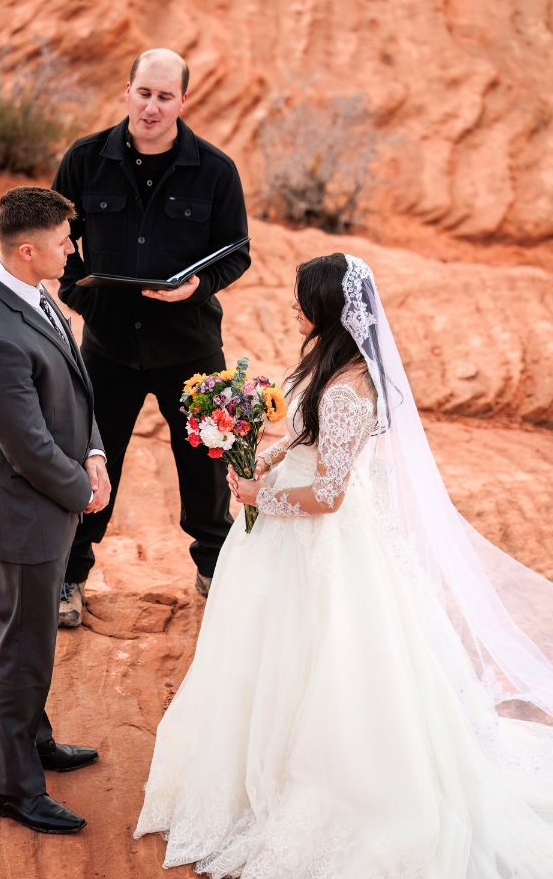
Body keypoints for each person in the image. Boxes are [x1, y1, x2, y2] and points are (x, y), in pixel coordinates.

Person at [135, 253, 553, 876]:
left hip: (318, 544)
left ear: (330, 306)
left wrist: (258, 497)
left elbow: (329, 496)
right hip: (281, 533)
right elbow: (303, 438)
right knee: (264, 657)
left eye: (304, 297)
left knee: (319, 662)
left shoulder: (351, 388)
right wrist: (262, 463)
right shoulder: (322, 362)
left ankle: (317, 788)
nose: (294, 305)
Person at [52, 47, 251, 625]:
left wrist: (196, 287)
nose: (153, 107)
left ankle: (214, 568)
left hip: (190, 346)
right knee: (91, 457)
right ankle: (70, 576)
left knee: (206, 463)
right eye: (144, 93)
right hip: (108, 348)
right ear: (127, 90)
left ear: (183, 101)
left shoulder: (215, 170)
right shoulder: (85, 161)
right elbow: (58, 239)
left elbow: (235, 254)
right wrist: (86, 300)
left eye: (166, 97)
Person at [0, 187, 112, 833]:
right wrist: (85, 490)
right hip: (26, 514)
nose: (71, 247)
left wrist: (96, 451)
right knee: (23, 649)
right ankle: (13, 787)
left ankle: (34, 740)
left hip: (53, 501)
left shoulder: (32, 289)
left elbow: (77, 379)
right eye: (62, 240)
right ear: (28, 250)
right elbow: (26, 449)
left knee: (37, 638)